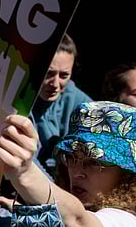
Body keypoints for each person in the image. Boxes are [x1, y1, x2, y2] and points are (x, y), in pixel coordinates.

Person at [0, 101, 136, 226]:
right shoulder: (89, 207)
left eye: (93, 162)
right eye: (71, 157)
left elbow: (78, 221)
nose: (77, 172)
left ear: (128, 175)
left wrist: (25, 173)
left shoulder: (127, 221)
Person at [31, 33, 92, 171]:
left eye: (64, 75)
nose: (55, 84)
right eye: (48, 73)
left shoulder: (77, 99)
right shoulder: (18, 101)